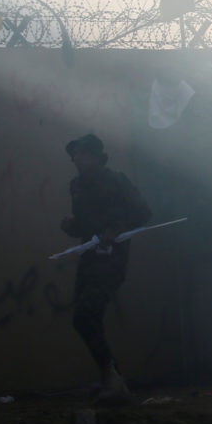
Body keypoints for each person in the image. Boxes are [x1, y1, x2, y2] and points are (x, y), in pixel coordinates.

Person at [60, 134, 152, 404]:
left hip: (111, 259)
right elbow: (84, 225)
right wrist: (71, 226)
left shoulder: (117, 181)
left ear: (96, 156)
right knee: (83, 318)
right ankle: (113, 378)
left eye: (80, 153)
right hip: (89, 257)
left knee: (87, 314)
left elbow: (143, 214)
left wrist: (115, 230)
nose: (75, 159)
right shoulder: (76, 186)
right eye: (73, 154)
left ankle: (113, 379)